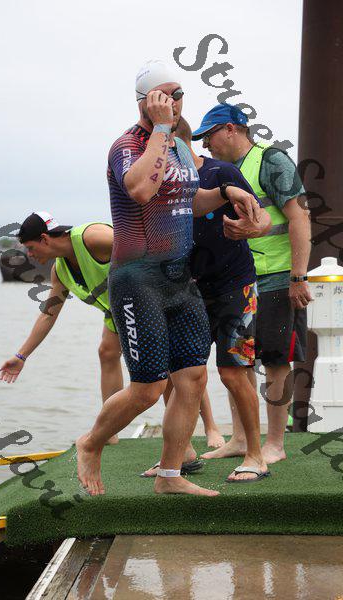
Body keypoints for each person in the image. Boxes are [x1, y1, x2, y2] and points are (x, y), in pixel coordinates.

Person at [76, 59, 264, 496]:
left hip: (181, 280)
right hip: (138, 280)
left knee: (193, 378)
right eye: (166, 95)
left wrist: (227, 192)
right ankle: (91, 442)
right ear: (145, 101)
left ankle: (170, 475)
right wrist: (161, 128)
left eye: (180, 94)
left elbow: (188, 200)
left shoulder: (178, 147)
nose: (176, 102)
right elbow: (141, 189)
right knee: (148, 388)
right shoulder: (127, 145)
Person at [142, 116, 272, 482]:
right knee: (179, 373)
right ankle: (181, 455)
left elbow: (261, 218)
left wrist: (249, 228)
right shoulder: (162, 183)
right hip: (187, 289)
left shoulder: (221, 173)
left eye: (162, 149)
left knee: (233, 372)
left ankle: (255, 455)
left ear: (178, 145)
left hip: (234, 286)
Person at [192, 103, 311, 464]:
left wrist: (298, 277)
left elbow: (299, 217)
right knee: (237, 362)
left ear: (231, 129)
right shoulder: (220, 173)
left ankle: (275, 443)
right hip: (238, 281)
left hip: (277, 278)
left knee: (276, 359)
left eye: (209, 136)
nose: (206, 145)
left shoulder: (271, 161)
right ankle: (241, 438)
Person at [0, 212, 121, 444]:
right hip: (117, 313)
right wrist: (21, 356)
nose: (30, 255)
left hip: (152, 300)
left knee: (169, 369)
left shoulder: (93, 237)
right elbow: (48, 315)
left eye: (31, 248)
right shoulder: (60, 271)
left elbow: (144, 245)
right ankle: (110, 431)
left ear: (45, 239)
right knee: (107, 353)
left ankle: (195, 434)